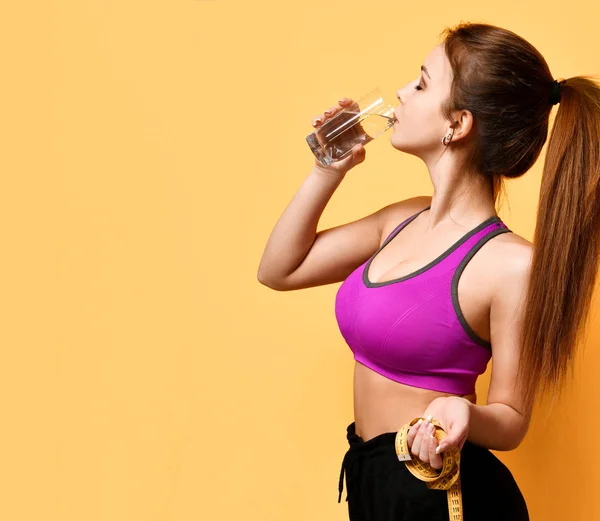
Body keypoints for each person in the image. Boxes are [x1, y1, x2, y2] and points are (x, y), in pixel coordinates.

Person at [257, 21, 600, 521]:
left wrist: (465, 412)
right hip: (369, 479)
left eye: (421, 83)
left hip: (441, 495)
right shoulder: (401, 219)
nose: (401, 92)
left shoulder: (511, 265)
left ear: (457, 124)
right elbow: (279, 269)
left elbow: (511, 420)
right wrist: (326, 169)